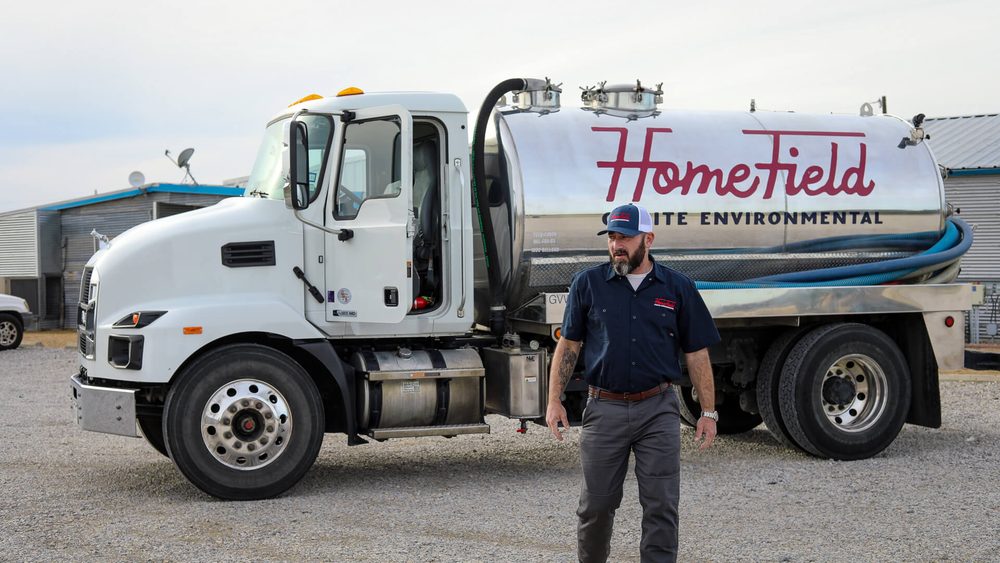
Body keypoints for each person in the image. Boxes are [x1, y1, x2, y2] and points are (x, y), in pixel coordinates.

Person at [546, 203, 720, 563]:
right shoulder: (588, 283)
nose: (616, 245)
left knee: (661, 508)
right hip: (604, 409)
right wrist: (554, 399)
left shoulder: (677, 287)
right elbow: (570, 344)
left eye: (625, 237)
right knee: (595, 507)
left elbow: (696, 353)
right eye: (612, 237)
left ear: (648, 239)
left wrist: (708, 412)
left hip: (657, 410)